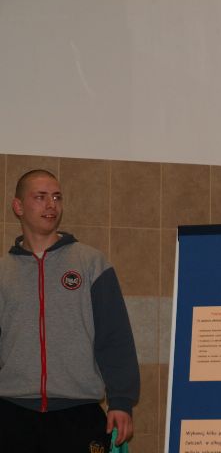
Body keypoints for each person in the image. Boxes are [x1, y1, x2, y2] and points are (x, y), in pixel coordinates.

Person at [0, 169, 140, 452]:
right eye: (40, 197)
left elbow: (115, 337)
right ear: (18, 206)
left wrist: (121, 402)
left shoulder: (91, 263)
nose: (51, 205)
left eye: (56, 197)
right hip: (12, 414)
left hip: (79, 413)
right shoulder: (3, 271)